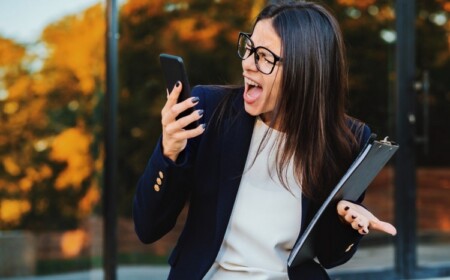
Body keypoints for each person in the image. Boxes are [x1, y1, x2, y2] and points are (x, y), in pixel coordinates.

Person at [133, 1, 397, 279]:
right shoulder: (210, 111)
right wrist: (168, 152)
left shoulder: (347, 139)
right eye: (248, 48)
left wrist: (347, 220)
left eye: (264, 56)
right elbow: (148, 227)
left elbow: (330, 256)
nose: (247, 64)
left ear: (304, 69)